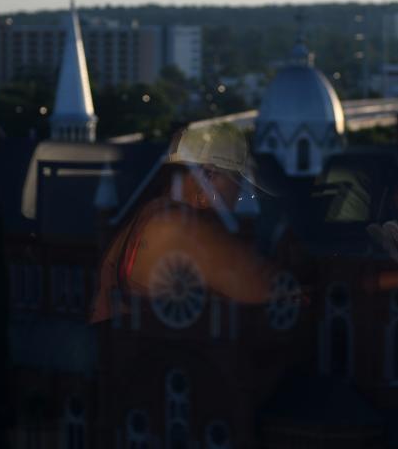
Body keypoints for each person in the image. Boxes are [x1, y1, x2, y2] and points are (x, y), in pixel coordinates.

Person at [88, 123, 281, 324]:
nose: (239, 197)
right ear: (208, 178)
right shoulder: (171, 227)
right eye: (235, 185)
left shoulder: (159, 216)